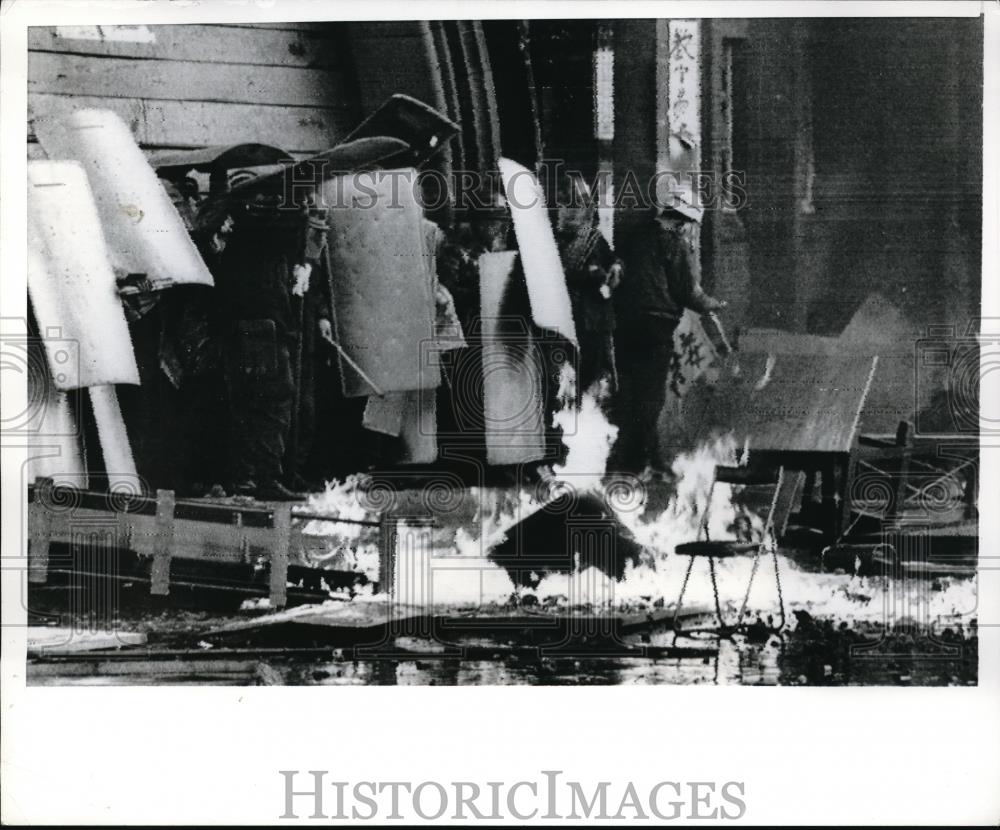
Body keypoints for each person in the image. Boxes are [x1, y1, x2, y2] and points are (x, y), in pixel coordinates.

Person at [612, 194, 725, 473]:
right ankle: (636, 464)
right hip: (656, 327)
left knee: (630, 393)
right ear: (684, 221)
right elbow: (686, 290)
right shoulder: (673, 242)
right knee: (650, 397)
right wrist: (713, 304)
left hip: (624, 326)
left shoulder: (635, 237)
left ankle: (644, 457)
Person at [553, 179, 623, 396]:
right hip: (562, 320)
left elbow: (613, 261)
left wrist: (615, 270)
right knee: (564, 379)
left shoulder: (594, 239)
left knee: (592, 376)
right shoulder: (552, 240)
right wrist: (589, 275)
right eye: (566, 205)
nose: (571, 211)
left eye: (577, 205)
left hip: (593, 320)